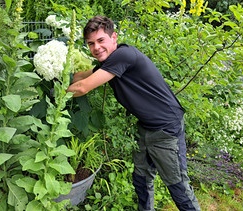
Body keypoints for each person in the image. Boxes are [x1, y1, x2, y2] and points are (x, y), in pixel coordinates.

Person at [67, 15, 201, 211]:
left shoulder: (123, 56)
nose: (96, 47)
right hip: (146, 127)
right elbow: (81, 76)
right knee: (141, 179)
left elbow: (83, 87)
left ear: (114, 38)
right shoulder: (108, 62)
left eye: (101, 40)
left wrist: (59, 93)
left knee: (178, 187)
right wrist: (58, 73)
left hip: (165, 129)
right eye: (91, 43)